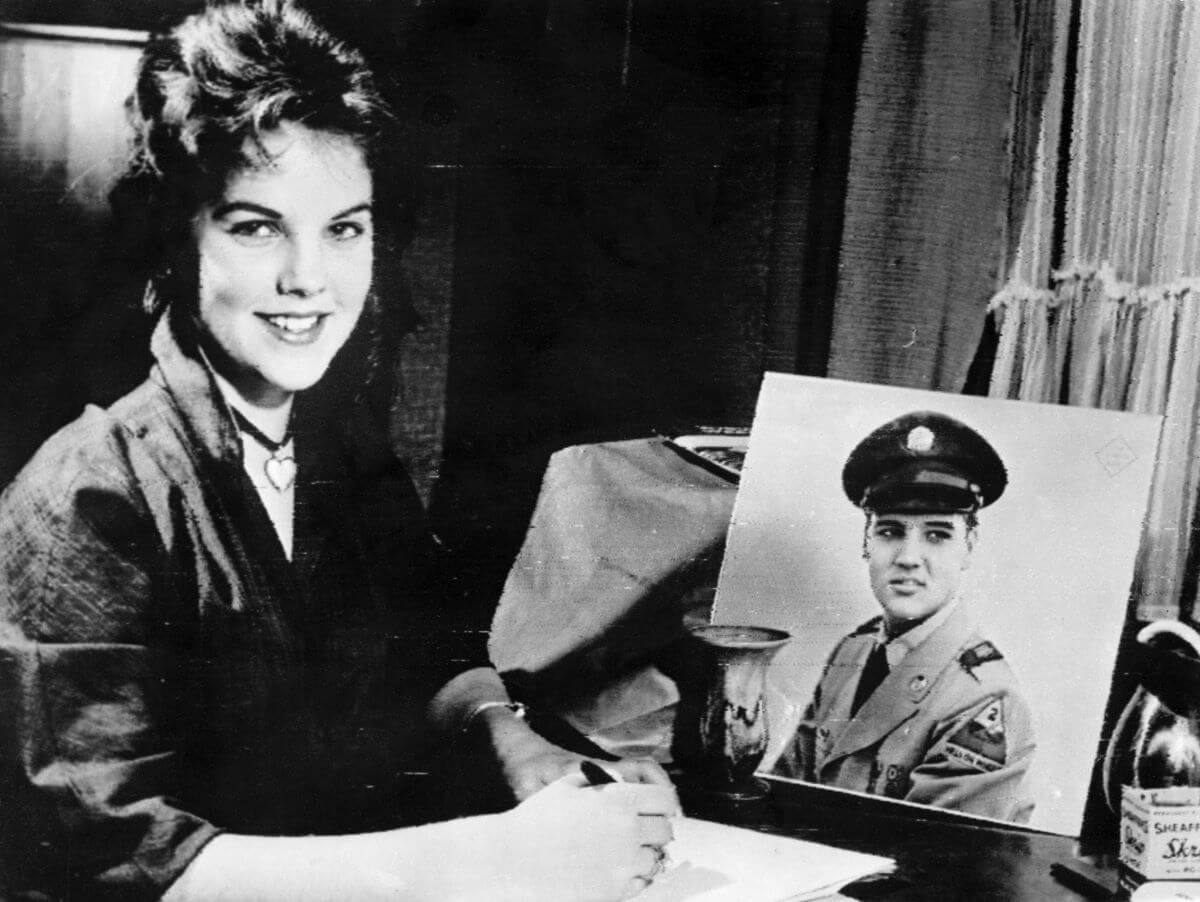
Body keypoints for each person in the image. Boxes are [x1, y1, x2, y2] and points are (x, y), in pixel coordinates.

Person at [0, 2, 677, 899]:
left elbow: (427, 658)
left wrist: (519, 743)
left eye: (343, 228)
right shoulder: (88, 499)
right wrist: (493, 861)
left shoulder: (343, 455)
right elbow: (117, 859)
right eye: (255, 226)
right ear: (177, 240)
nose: (307, 280)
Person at [772, 410, 1036, 823]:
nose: (909, 558)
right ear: (866, 542)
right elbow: (786, 792)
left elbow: (940, 864)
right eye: (890, 532)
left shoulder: (984, 698)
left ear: (969, 546)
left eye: (937, 535)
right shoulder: (853, 651)